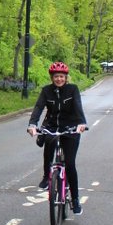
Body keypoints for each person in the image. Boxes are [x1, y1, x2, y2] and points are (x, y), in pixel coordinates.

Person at [26, 62, 88, 215]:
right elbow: (39, 107)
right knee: (49, 143)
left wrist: (81, 123)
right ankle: (47, 176)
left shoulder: (72, 89)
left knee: (70, 163)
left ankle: (75, 199)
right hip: (52, 126)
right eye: (56, 77)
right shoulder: (46, 91)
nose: (59, 79)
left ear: (66, 77)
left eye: (61, 76)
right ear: (52, 78)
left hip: (71, 127)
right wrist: (32, 124)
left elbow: (78, 106)